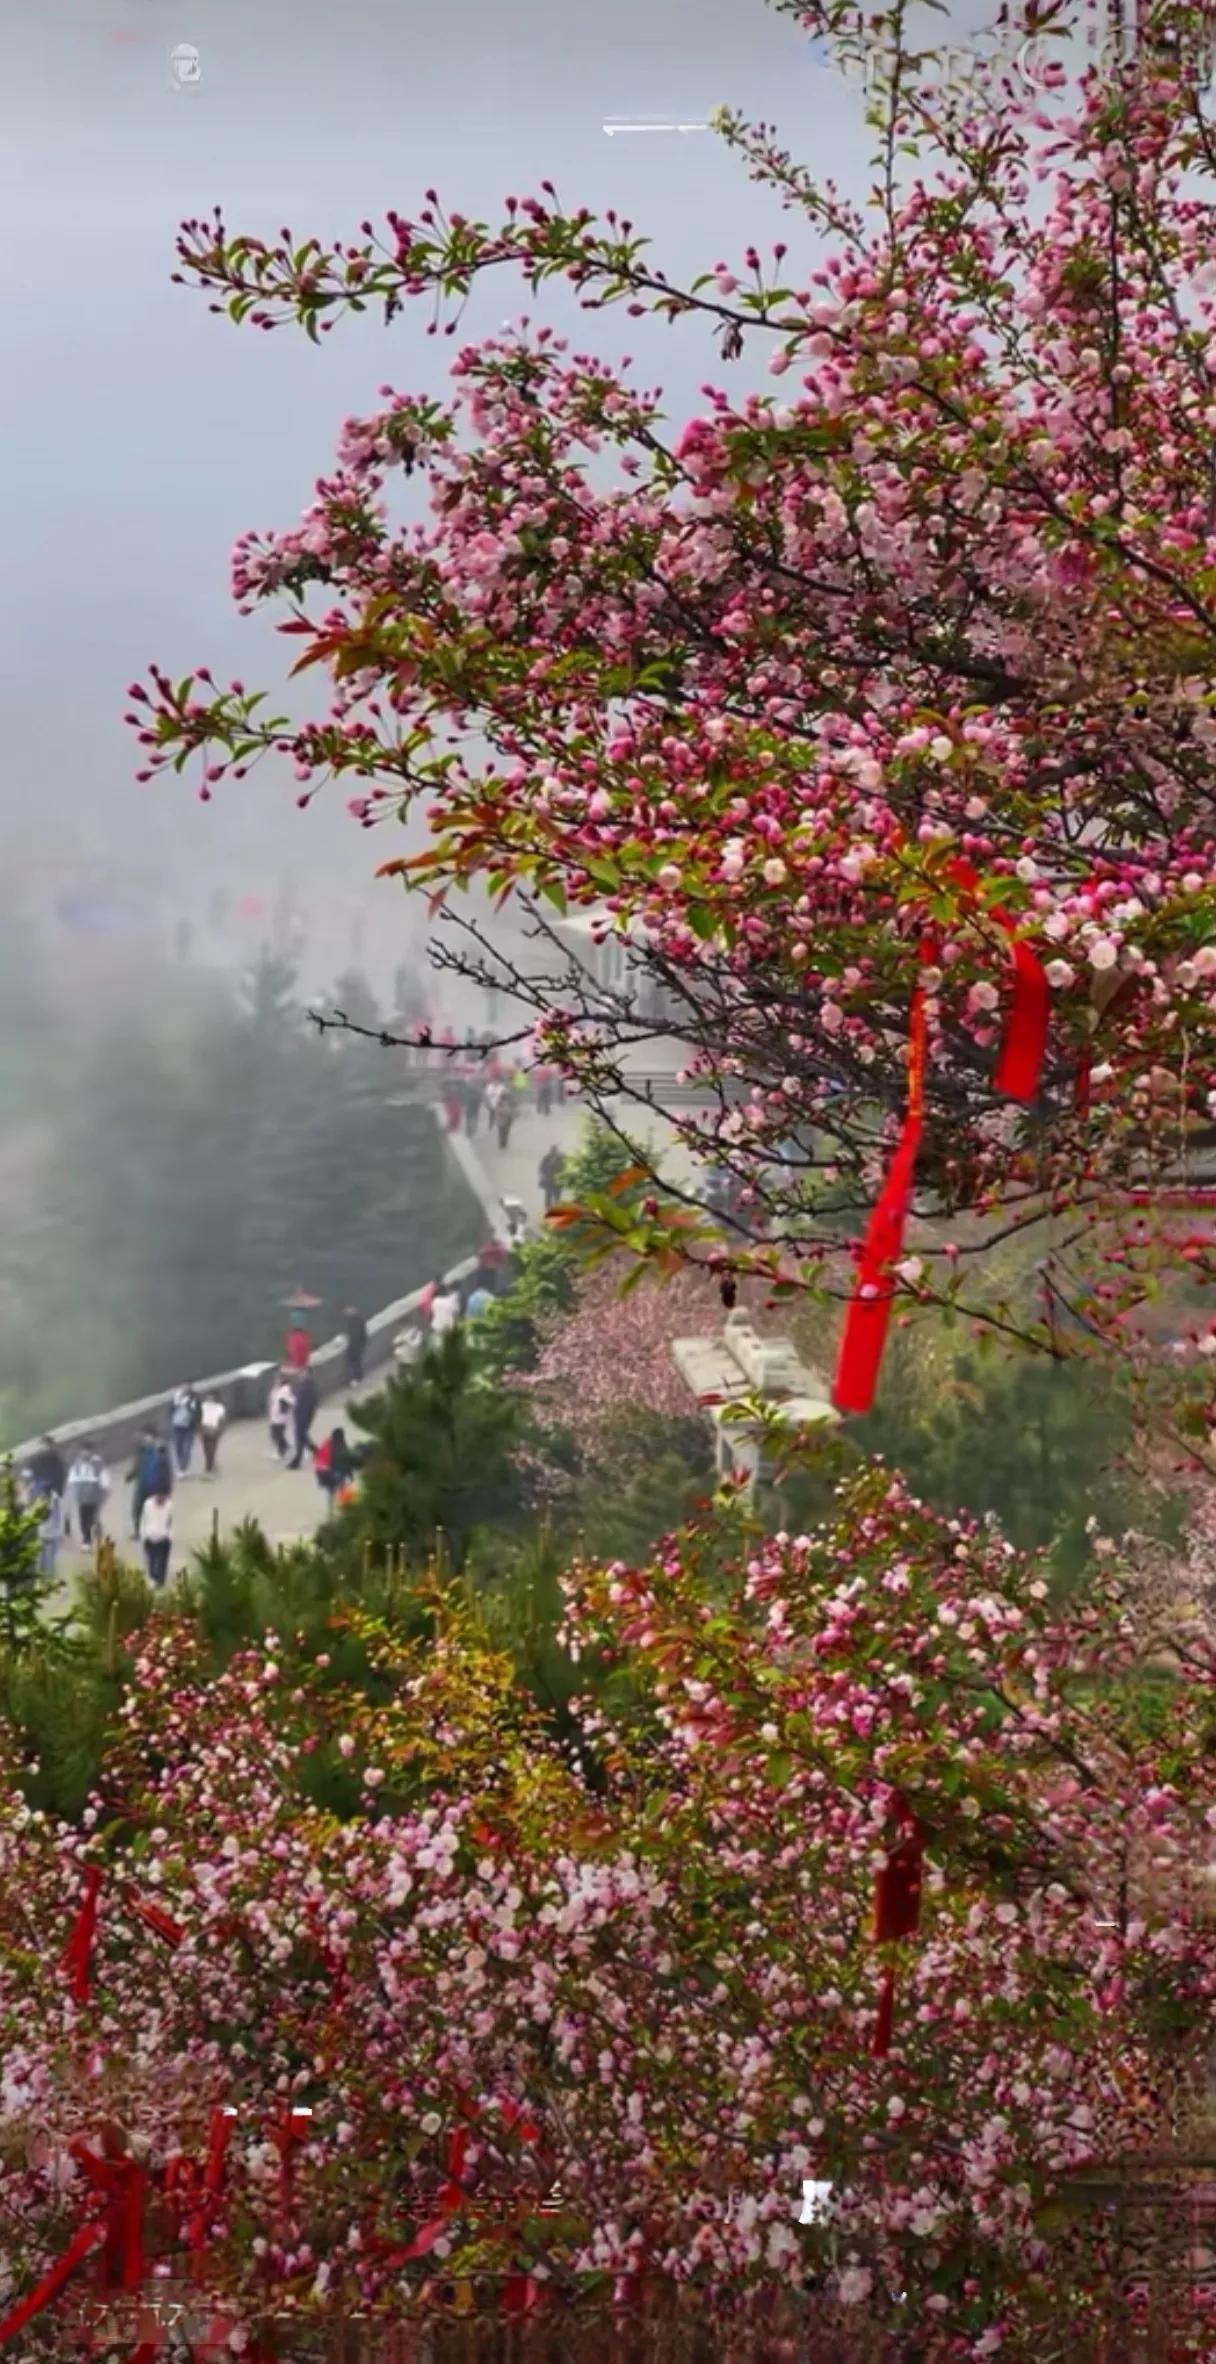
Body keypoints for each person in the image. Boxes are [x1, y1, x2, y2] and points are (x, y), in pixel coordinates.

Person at [128, 1427, 168, 1539]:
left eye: (148, 1436)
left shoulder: (160, 1452)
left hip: (155, 1486)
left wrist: (165, 1488)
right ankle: (137, 1531)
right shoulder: (140, 1451)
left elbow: (165, 1471)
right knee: (137, 1509)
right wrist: (131, 1475)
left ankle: (155, 1531)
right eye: (145, 1436)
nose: (146, 1439)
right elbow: (137, 1465)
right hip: (141, 1484)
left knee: (154, 1509)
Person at [67, 1443, 109, 1548]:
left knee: (93, 1518)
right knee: (83, 1520)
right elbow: (71, 1481)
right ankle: (86, 1539)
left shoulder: (98, 1464)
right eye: (82, 1451)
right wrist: (72, 1494)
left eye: (86, 1451)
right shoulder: (76, 1465)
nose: (84, 1454)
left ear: (91, 1452)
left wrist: (104, 1495)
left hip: (95, 1497)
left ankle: (94, 1533)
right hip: (82, 1498)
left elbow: (105, 1481)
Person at [314, 1425, 355, 1511]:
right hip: (336, 1473)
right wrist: (351, 1476)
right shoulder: (342, 1445)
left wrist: (320, 1476)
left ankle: (330, 1510)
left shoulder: (326, 1443)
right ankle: (345, 1507)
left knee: (331, 1491)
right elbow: (346, 1463)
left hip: (324, 1473)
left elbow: (318, 1458)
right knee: (342, 1486)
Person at [138, 1488, 173, 1589]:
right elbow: (144, 1519)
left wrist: (169, 1535)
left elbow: (170, 1521)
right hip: (150, 1536)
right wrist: (143, 1535)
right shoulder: (148, 1504)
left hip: (163, 1537)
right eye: (159, 1497)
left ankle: (161, 1580)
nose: (161, 1499)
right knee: (151, 1559)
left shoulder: (169, 1505)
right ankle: (153, 1578)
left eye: (163, 1497)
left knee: (162, 1560)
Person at [288, 1369, 320, 1469]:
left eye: (304, 1373)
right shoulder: (303, 1386)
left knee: (300, 1437)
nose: (301, 1375)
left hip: (304, 1416)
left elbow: (309, 1404)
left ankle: (297, 1460)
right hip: (301, 1415)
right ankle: (316, 1452)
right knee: (302, 1437)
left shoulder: (308, 1388)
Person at [170, 1383, 201, 1477]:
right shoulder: (176, 1398)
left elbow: (196, 1412)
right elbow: (171, 1410)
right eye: (183, 1387)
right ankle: (180, 1466)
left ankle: (182, 1468)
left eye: (187, 1387)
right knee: (178, 1448)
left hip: (188, 1428)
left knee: (186, 1449)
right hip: (177, 1426)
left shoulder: (193, 1400)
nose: (184, 1389)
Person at [28, 1435, 66, 1505]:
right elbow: (32, 1475)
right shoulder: (36, 1460)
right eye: (42, 1445)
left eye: (46, 1445)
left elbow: (60, 1476)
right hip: (42, 1490)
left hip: (50, 1490)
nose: (44, 1448)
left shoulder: (56, 1460)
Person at [268, 1370, 295, 1462]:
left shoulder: (286, 1389)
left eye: (278, 1379)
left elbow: (290, 1400)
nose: (277, 1381)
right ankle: (284, 1449)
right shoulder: (276, 1389)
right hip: (274, 1416)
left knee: (278, 1435)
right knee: (274, 1435)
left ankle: (282, 1452)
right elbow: (272, 1400)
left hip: (281, 1417)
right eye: (276, 1379)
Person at [36, 1490, 63, 1581]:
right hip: (47, 1535)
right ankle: (45, 1580)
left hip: (50, 1536)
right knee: (44, 1563)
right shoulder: (53, 1500)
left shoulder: (55, 1501)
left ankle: (47, 1580)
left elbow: (57, 1515)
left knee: (46, 1563)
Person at [199, 1392, 227, 1477]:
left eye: (211, 1398)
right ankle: (210, 1465)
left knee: (212, 1449)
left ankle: (208, 1468)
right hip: (204, 1429)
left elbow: (221, 1419)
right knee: (206, 1450)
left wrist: (220, 1430)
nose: (210, 1400)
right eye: (208, 1398)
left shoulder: (219, 1407)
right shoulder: (203, 1406)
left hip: (214, 1429)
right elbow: (199, 1417)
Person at [342, 1307, 368, 1389]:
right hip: (359, 1345)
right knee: (358, 1361)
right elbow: (363, 1333)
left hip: (353, 1346)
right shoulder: (361, 1320)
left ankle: (353, 1379)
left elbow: (353, 1335)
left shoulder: (351, 1322)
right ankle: (359, 1376)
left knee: (352, 1363)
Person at [539, 1144, 565, 1211]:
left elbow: (564, 1168)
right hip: (549, 1180)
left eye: (554, 1151)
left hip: (558, 1181)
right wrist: (543, 1176)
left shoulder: (561, 1159)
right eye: (552, 1151)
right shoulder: (546, 1158)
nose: (553, 1152)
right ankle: (547, 1208)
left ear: (556, 1152)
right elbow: (542, 1168)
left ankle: (557, 1208)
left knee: (557, 1196)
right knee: (548, 1195)